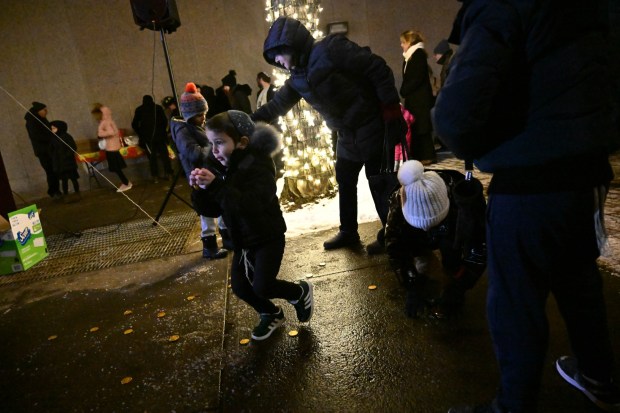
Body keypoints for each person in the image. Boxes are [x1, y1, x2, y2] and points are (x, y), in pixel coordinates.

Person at [432, 1, 620, 412]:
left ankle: (513, 406)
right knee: (577, 276)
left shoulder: (503, 5)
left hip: (529, 180)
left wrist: (476, 140)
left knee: (515, 301)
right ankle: (598, 374)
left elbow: (455, 115)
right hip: (586, 170)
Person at [252, 16, 406, 255]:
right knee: (345, 179)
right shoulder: (297, 78)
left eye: (279, 56)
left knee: (379, 183)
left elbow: (377, 67)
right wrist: (246, 122)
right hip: (346, 135)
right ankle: (348, 231)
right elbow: (276, 107)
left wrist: (391, 109)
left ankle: (392, 233)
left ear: (289, 46)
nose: (279, 63)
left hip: (370, 126)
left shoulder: (331, 49)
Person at [189, 110, 314, 340]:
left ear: (242, 142)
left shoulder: (258, 165)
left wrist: (216, 186)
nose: (214, 150)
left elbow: (249, 205)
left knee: (263, 286)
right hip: (240, 239)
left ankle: (298, 291)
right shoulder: (217, 165)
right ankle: (271, 312)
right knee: (240, 288)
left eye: (220, 143)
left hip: (267, 235)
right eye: (211, 143)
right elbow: (213, 209)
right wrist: (199, 190)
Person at [385, 160, 486, 319]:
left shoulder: (465, 200)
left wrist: (460, 285)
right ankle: (423, 261)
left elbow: (479, 249)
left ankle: (452, 266)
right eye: (420, 225)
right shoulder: (398, 202)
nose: (426, 229)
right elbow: (395, 247)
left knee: (452, 259)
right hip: (420, 238)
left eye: (433, 223)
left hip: (451, 232)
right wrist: (410, 282)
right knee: (417, 262)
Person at [170, 82, 228, 260]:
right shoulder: (182, 129)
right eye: (200, 115)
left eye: (204, 113)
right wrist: (213, 146)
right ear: (190, 115)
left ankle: (228, 238)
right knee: (207, 211)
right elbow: (192, 152)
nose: (204, 118)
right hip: (199, 176)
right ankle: (209, 245)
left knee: (220, 204)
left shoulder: (194, 126)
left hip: (209, 172)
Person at [399, 30, 436, 166]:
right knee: (418, 127)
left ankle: (427, 155)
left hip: (420, 100)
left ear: (410, 42)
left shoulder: (417, 55)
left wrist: (404, 90)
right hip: (416, 99)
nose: (401, 45)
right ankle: (422, 155)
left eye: (403, 42)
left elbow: (415, 78)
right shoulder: (411, 56)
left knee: (422, 127)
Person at [131, 95, 173, 183]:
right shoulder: (157, 108)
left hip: (148, 139)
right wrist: (162, 131)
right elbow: (164, 121)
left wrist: (141, 132)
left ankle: (155, 177)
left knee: (152, 158)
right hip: (160, 137)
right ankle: (169, 174)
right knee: (165, 156)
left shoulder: (139, 110)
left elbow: (134, 124)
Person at [91, 103, 132, 192]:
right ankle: (125, 182)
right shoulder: (110, 120)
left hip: (111, 148)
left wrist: (100, 134)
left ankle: (126, 183)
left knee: (116, 168)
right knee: (117, 168)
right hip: (114, 146)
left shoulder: (105, 122)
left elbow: (111, 132)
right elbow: (115, 132)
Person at [24, 102, 61, 199]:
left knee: (54, 170)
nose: (46, 112)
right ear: (38, 111)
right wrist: (51, 136)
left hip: (49, 149)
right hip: (43, 151)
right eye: (44, 110)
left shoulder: (41, 119)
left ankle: (55, 190)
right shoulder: (32, 121)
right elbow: (36, 136)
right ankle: (54, 191)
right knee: (50, 171)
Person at [49, 120, 80, 201]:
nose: (52, 130)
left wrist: (67, 155)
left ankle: (77, 193)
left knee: (73, 179)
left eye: (54, 128)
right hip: (60, 164)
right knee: (64, 180)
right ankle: (66, 195)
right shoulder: (53, 138)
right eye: (51, 128)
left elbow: (73, 147)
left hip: (68, 162)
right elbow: (51, 149)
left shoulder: (67, 137)